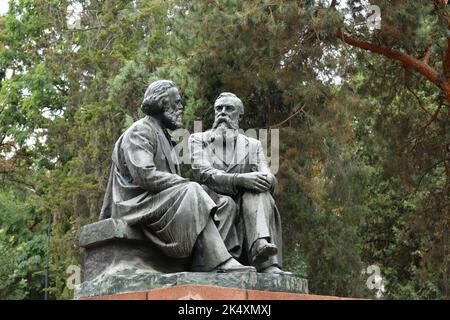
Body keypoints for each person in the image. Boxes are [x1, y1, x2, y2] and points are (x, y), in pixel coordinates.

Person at [99, 81, 255, 273]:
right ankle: (219, 262)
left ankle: (203, 263)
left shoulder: (164, 135)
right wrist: (187, 184)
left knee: (225, 203)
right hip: (137, 204)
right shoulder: (141, 131)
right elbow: (145, 176)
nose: (181, 108)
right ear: (162, 103)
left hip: (158, 201)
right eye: (177, 103)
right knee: (193, 191)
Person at [189, 93, 290, 274]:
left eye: (229, 109)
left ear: (240, 116)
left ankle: (263, 252)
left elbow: (268, 175)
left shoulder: (253, 145)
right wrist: (242, 179)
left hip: (247, 207)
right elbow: (203, 173)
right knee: (234, 198)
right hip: (214, 201)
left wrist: (264, 179)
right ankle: (223, 258)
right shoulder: (198, 140)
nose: (222, 113)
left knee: (258, 192)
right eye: (218, 109)